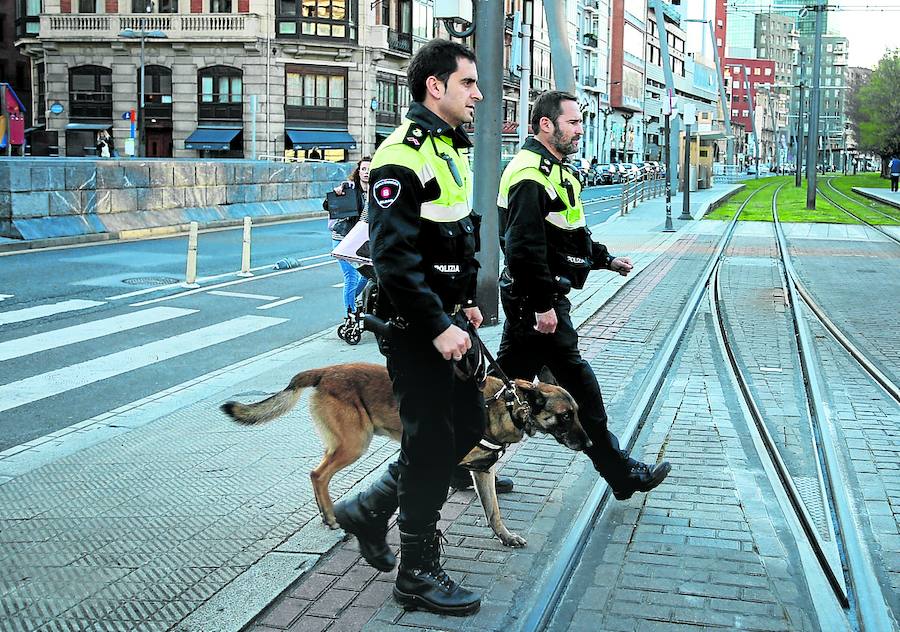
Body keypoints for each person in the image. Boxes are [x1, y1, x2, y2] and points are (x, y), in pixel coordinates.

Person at [333, 39, 485, 616]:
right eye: (467, 83)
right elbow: (394, 258)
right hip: (412, 323)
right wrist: (436, 325)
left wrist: (466, 302)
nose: (477, 93)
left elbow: (456, 234)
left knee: (469, 423)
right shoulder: (403, 153)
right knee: (430, 441)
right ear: (435, 87)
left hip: (445, 318)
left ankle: (369, 508)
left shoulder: (449, 147)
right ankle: (416, 571)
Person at [495, 90, 671, 504]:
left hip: (542, 303)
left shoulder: (558, 171)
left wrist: (606, 260)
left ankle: (453, 463)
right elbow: (522, 249)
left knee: (497, 391)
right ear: (545, 125)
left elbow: (568, 236)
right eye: (573, 123)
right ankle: (622, 475)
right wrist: (541, 306)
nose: (579, 130)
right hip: (535, 305)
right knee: (581, 392)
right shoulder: (528, 175)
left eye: (580, 122)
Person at [325, 157, 371, 332]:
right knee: (351, 277)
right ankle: (350, 316)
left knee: (368, 275)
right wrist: (336, 194)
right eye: (364, 169)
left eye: (370, 169)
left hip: (361, 240)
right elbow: (327, 205)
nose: (366, 172)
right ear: (358, 171)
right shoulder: (348, 187)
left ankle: (353, 299)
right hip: (342, 238)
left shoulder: (377, 190)